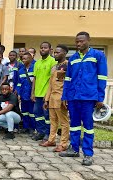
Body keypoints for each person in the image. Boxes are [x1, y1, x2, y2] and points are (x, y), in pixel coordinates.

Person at [60, 32, 108, 166]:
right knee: (74, 124)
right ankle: (74, 149)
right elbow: (68, 79)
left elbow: (102, 77)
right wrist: (65, 96)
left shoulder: (98, 56)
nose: (78, 44)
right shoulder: (73, 58)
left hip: (89, 97)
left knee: (88, 126)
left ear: (88, 41)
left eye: (81, 41)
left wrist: (100, 97)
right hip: (74, 97)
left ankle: (88, 154)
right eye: (76, 42)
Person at [40, 45, 69, 152]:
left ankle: (63, 144)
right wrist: (46, 99)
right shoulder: (54, 67)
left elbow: (68, 84)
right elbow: (50, 85)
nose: (55, 54)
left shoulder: (67, 66)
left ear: (64, 53)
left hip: (61, 98)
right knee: (53, 121)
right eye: (55, 52)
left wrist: (66, 97)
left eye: (58, 53)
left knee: (64, 122)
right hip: (52, 98)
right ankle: (51, 140)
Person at [31, 42, 57, 142]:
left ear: (50, 49)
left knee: (47, 116)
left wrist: (48, 94)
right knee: (37, 114)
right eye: (41, 48)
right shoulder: (37, 63)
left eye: (45, 48)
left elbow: (52, 79)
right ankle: (40, 132)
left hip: (47, 95)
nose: (43, 49)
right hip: (37, 94)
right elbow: (35, 79)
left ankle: (48, 133)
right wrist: (32, 93)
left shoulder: (53, 61)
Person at [16, 52, 36, 136]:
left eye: (25, 58)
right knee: (24, 112)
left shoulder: (34, 68)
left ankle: (32, 128)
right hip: (23, 95)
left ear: (30, 59)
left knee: (32, 113)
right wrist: (18, 93)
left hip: (31, 95)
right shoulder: (21, 70)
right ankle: (25, 127)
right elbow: (19, 83)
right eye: (22, 59)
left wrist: (33, 94)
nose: (23, 60)